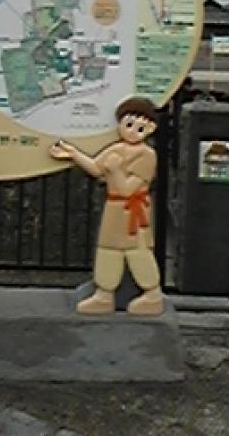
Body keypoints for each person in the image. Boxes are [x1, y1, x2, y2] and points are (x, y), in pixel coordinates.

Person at [49, 96, 163, 316]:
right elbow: (95, 168)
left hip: (133, 211)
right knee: (108, 250)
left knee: (138, 252)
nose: (132, 132)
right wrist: (73, 154)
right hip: (114, 209)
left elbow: (128, 189)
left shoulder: (147, 155)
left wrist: (116, 171)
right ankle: (104, 294)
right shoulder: (115, 149)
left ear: (150, 129)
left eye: (140, 128)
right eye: (128, 125)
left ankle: (152, 294)